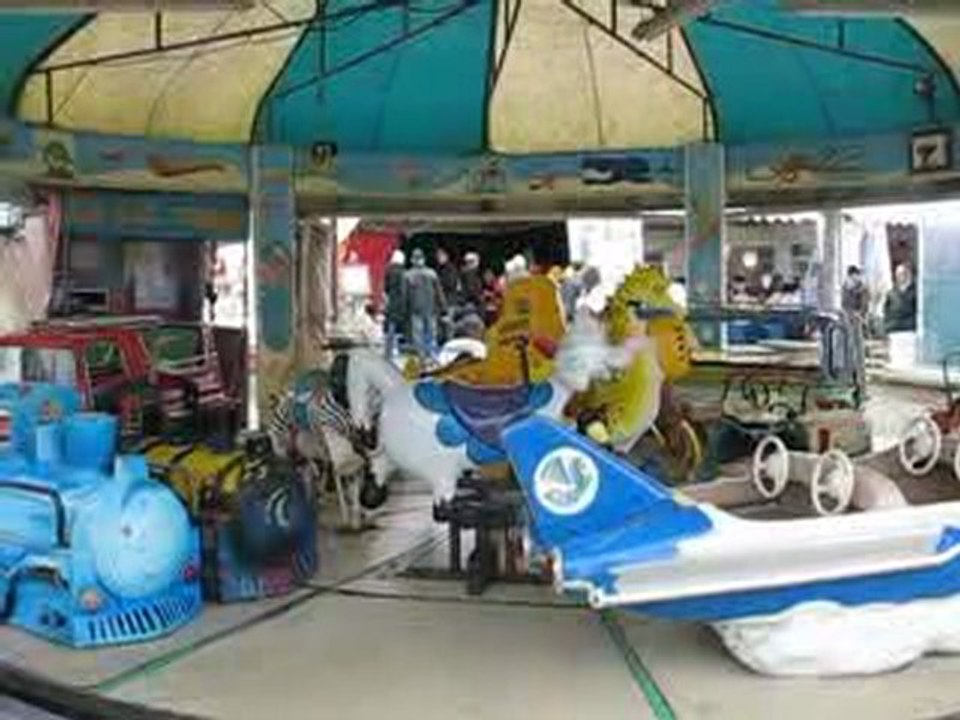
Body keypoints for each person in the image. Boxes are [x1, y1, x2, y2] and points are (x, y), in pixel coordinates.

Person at [405, 248, 446, 359]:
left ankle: (421, 357)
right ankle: (432, 356)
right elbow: (439, 292)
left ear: (412, 260)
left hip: (416, 310)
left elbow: (405, 295)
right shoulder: (432, 273)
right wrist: (443, 308)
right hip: (431, 309)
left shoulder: (408, 275)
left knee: (418, 335)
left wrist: (405, 310)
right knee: (431, 334)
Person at [382, 249, 408, 360]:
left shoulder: (388, 270)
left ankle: (389, 350)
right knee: (397, 326)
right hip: (399, 301)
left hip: (391, 300)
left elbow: (386, 287)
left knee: (390, 325)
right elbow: (403, 289)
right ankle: (395, 349)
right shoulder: (402, 272)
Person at [884, 262, 917, 334]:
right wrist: (887, 325)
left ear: (908, 274)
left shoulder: (915, 292)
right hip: (893, 328)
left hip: (910, 329)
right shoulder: (891, 293)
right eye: (897, 274)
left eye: (902, 273)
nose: (899, 276)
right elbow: (886, 310)